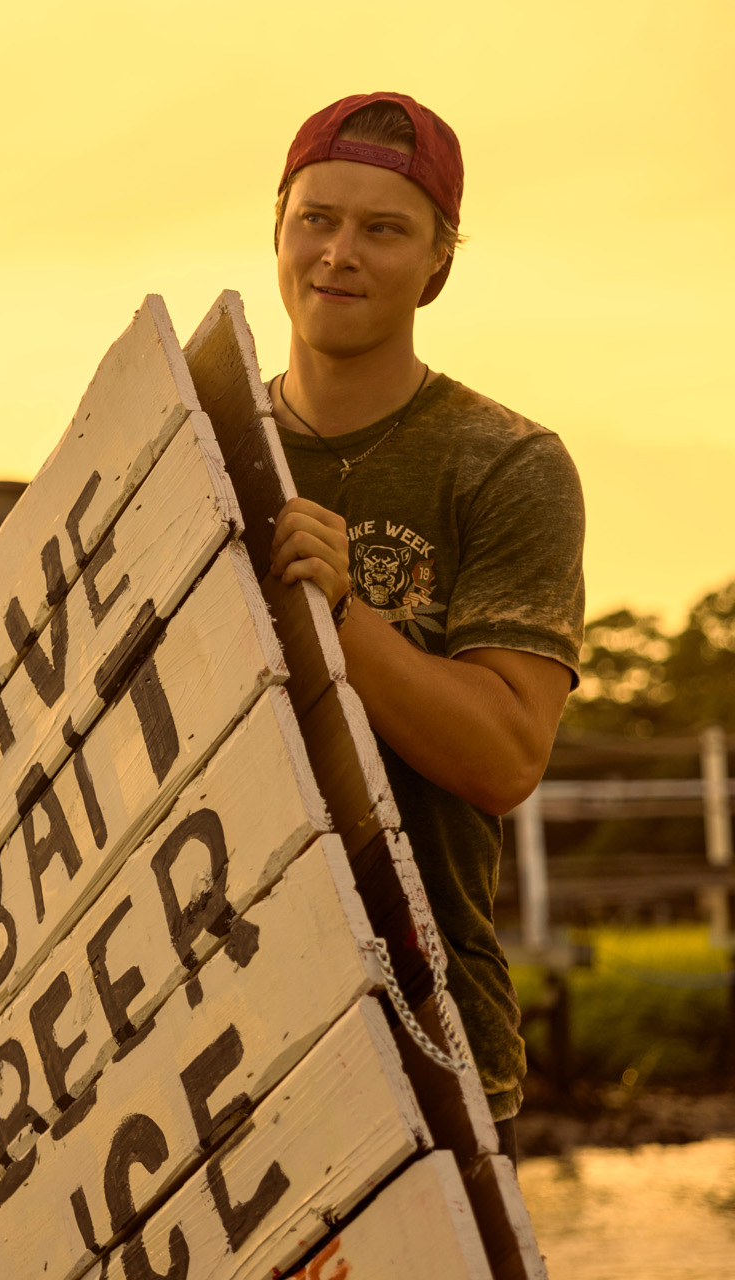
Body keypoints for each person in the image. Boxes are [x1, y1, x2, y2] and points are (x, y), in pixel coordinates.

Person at [264, 92, 585, 1163]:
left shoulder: (504, 462)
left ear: (438, 263)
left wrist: (343, 617)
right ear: (277, 229)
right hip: (210, 1035)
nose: (338, 253)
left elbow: (506, 757)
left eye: (383, 229)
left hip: (426, 1035)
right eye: (317, 217)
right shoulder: (190, 442)